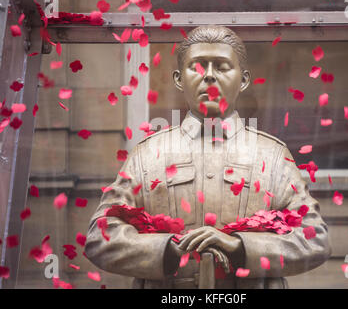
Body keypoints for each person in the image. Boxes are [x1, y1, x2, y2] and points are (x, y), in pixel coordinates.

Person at [85, 25, 331, 289]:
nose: (210, 76)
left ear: (244, 80)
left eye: (222, 67)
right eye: (198, 66)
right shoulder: (146, 155)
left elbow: (315, 239)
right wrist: (167, 250)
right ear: (179, 79)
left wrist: (240, 247)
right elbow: (101, 237)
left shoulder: (271, 156)